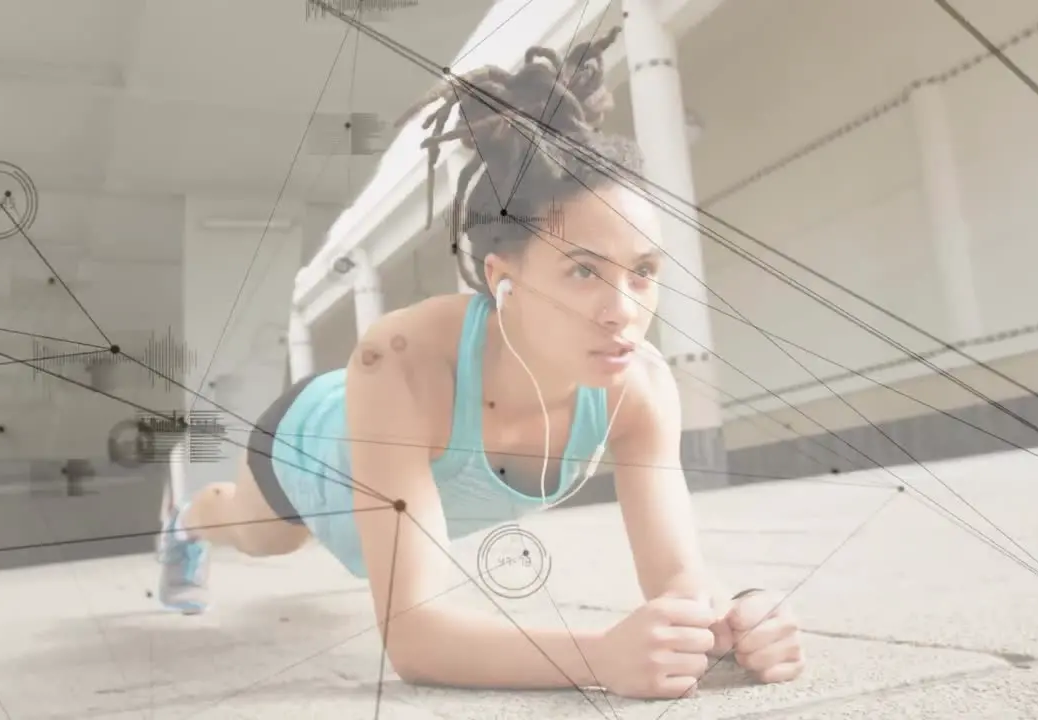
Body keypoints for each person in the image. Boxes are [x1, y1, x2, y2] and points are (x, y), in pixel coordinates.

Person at [155, 30, 805, 699]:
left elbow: (677, 582)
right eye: (582, 270)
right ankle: (184, 520)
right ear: (502, 277)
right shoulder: (400, 361)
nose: (622, 311)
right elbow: (414, 639)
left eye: (642, 272)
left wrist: (735, 623)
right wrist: (599, 658)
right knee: (259, 534)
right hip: (307, 450)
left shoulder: (640, 387)